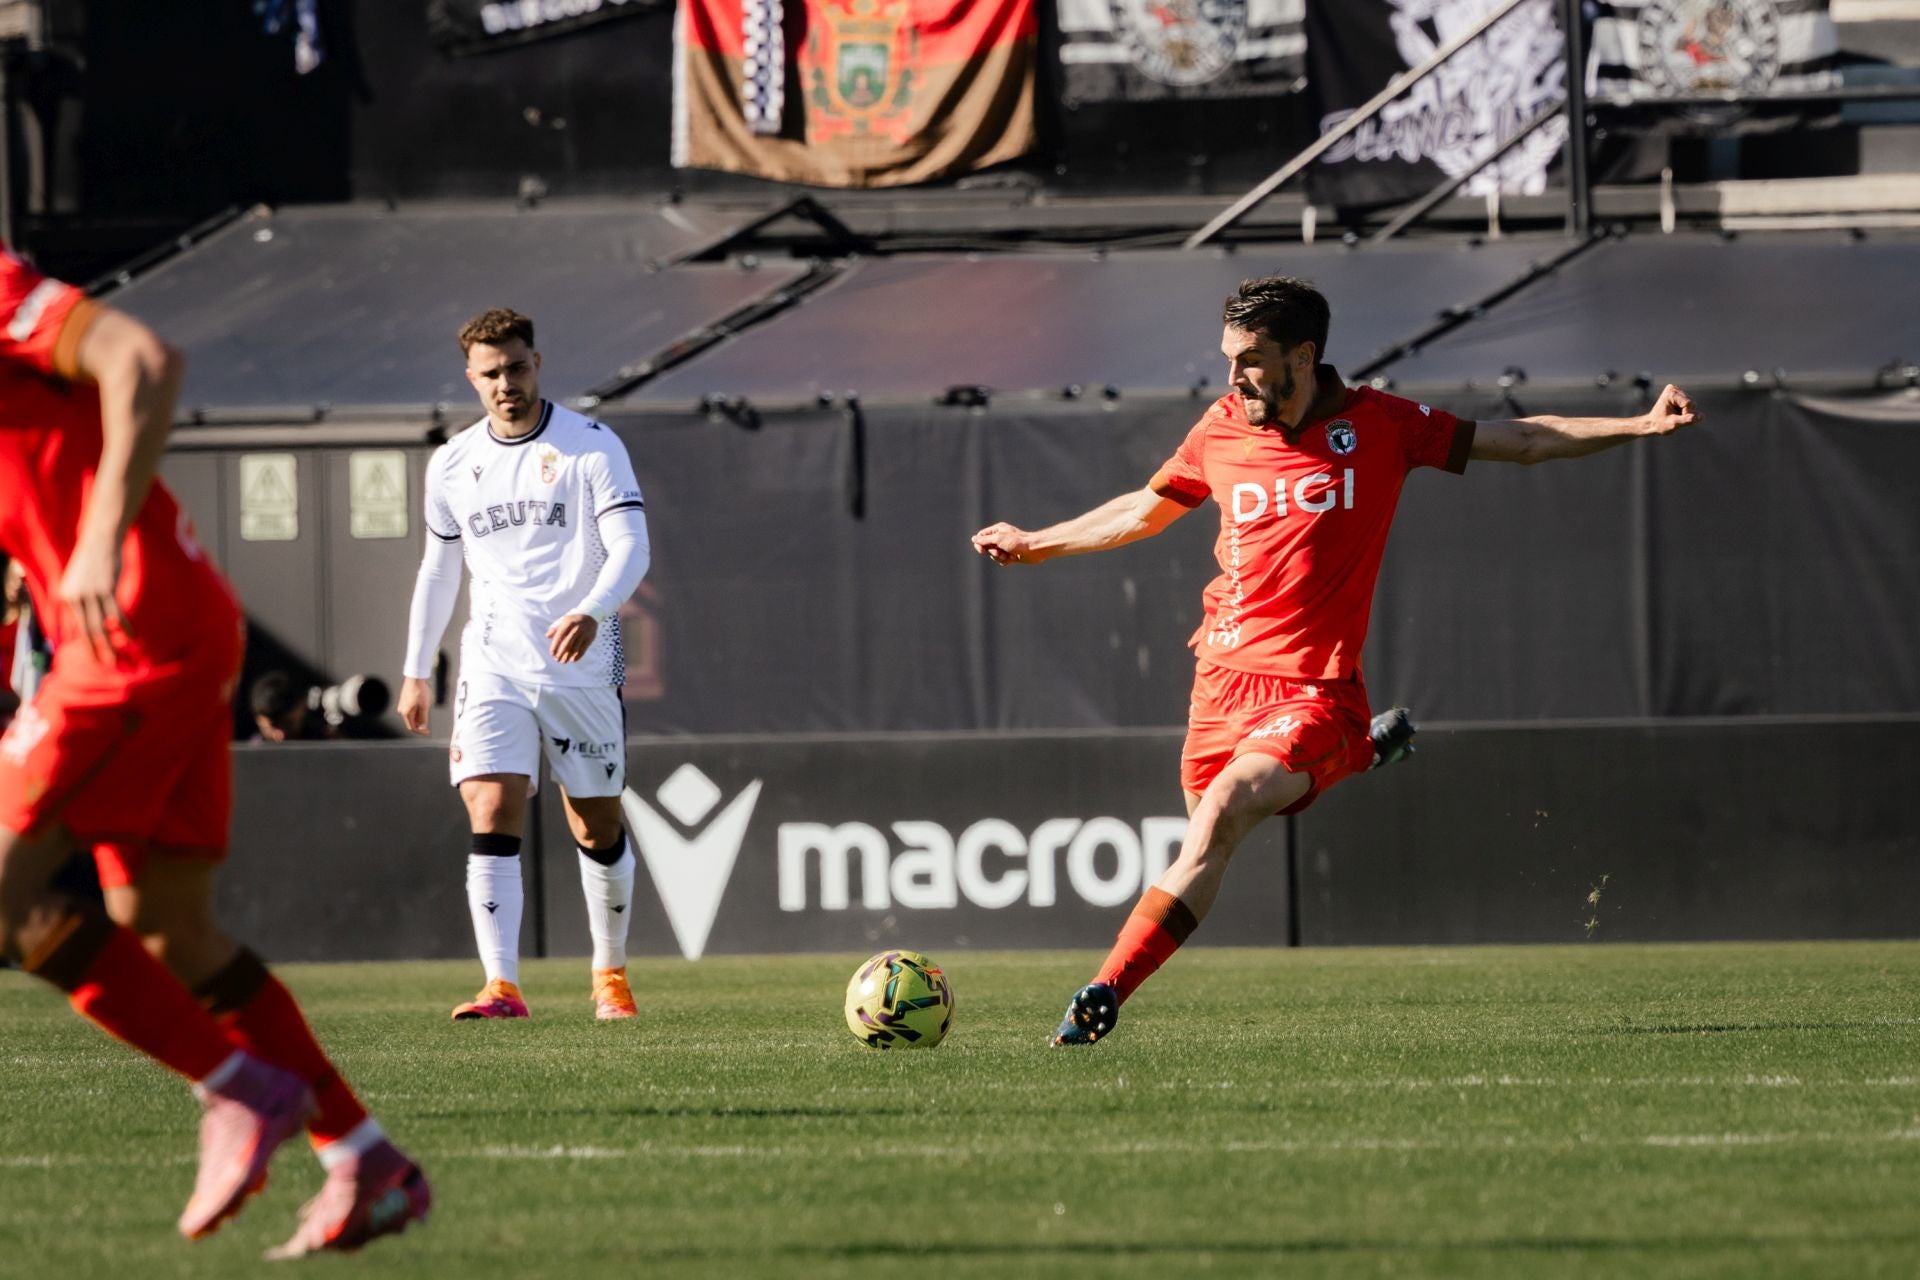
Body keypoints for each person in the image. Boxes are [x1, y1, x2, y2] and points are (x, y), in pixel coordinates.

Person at [971, 275, 1698, 1047]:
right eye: (1228, 358)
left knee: (1222, 813)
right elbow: (1142, 511)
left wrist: (1641, 427)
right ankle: (1360, 754)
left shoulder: (1382, 424)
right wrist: (1036, 542)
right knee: (1208, 833)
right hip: (1219, 681)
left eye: (1251, 359)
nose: (1233, 376)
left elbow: (1515, 440)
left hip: (1313, 687)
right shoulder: (1220, 428)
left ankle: (1099, 996)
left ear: (1304, 355)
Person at [0, 248, 431, 1254]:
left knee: (13, 895)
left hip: (132, 633)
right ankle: (366, 1157)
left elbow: (142, 359)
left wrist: (103, 534)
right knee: (164, 926)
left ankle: (239, 1090)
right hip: (167, 629)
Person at [399, 308, 651, 1023]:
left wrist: (594, 610)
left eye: (516, 368)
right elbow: (439, 570)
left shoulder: (591, 447)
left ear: (536, 363)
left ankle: (609, 974)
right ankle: (501, 985)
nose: (505, 384)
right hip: (493, 660)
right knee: (489, 799)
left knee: (594, 822)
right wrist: (418, 668)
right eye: (490, 374)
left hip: (581, 660)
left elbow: (633, 546)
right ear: (471, 379)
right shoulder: (450, 462)